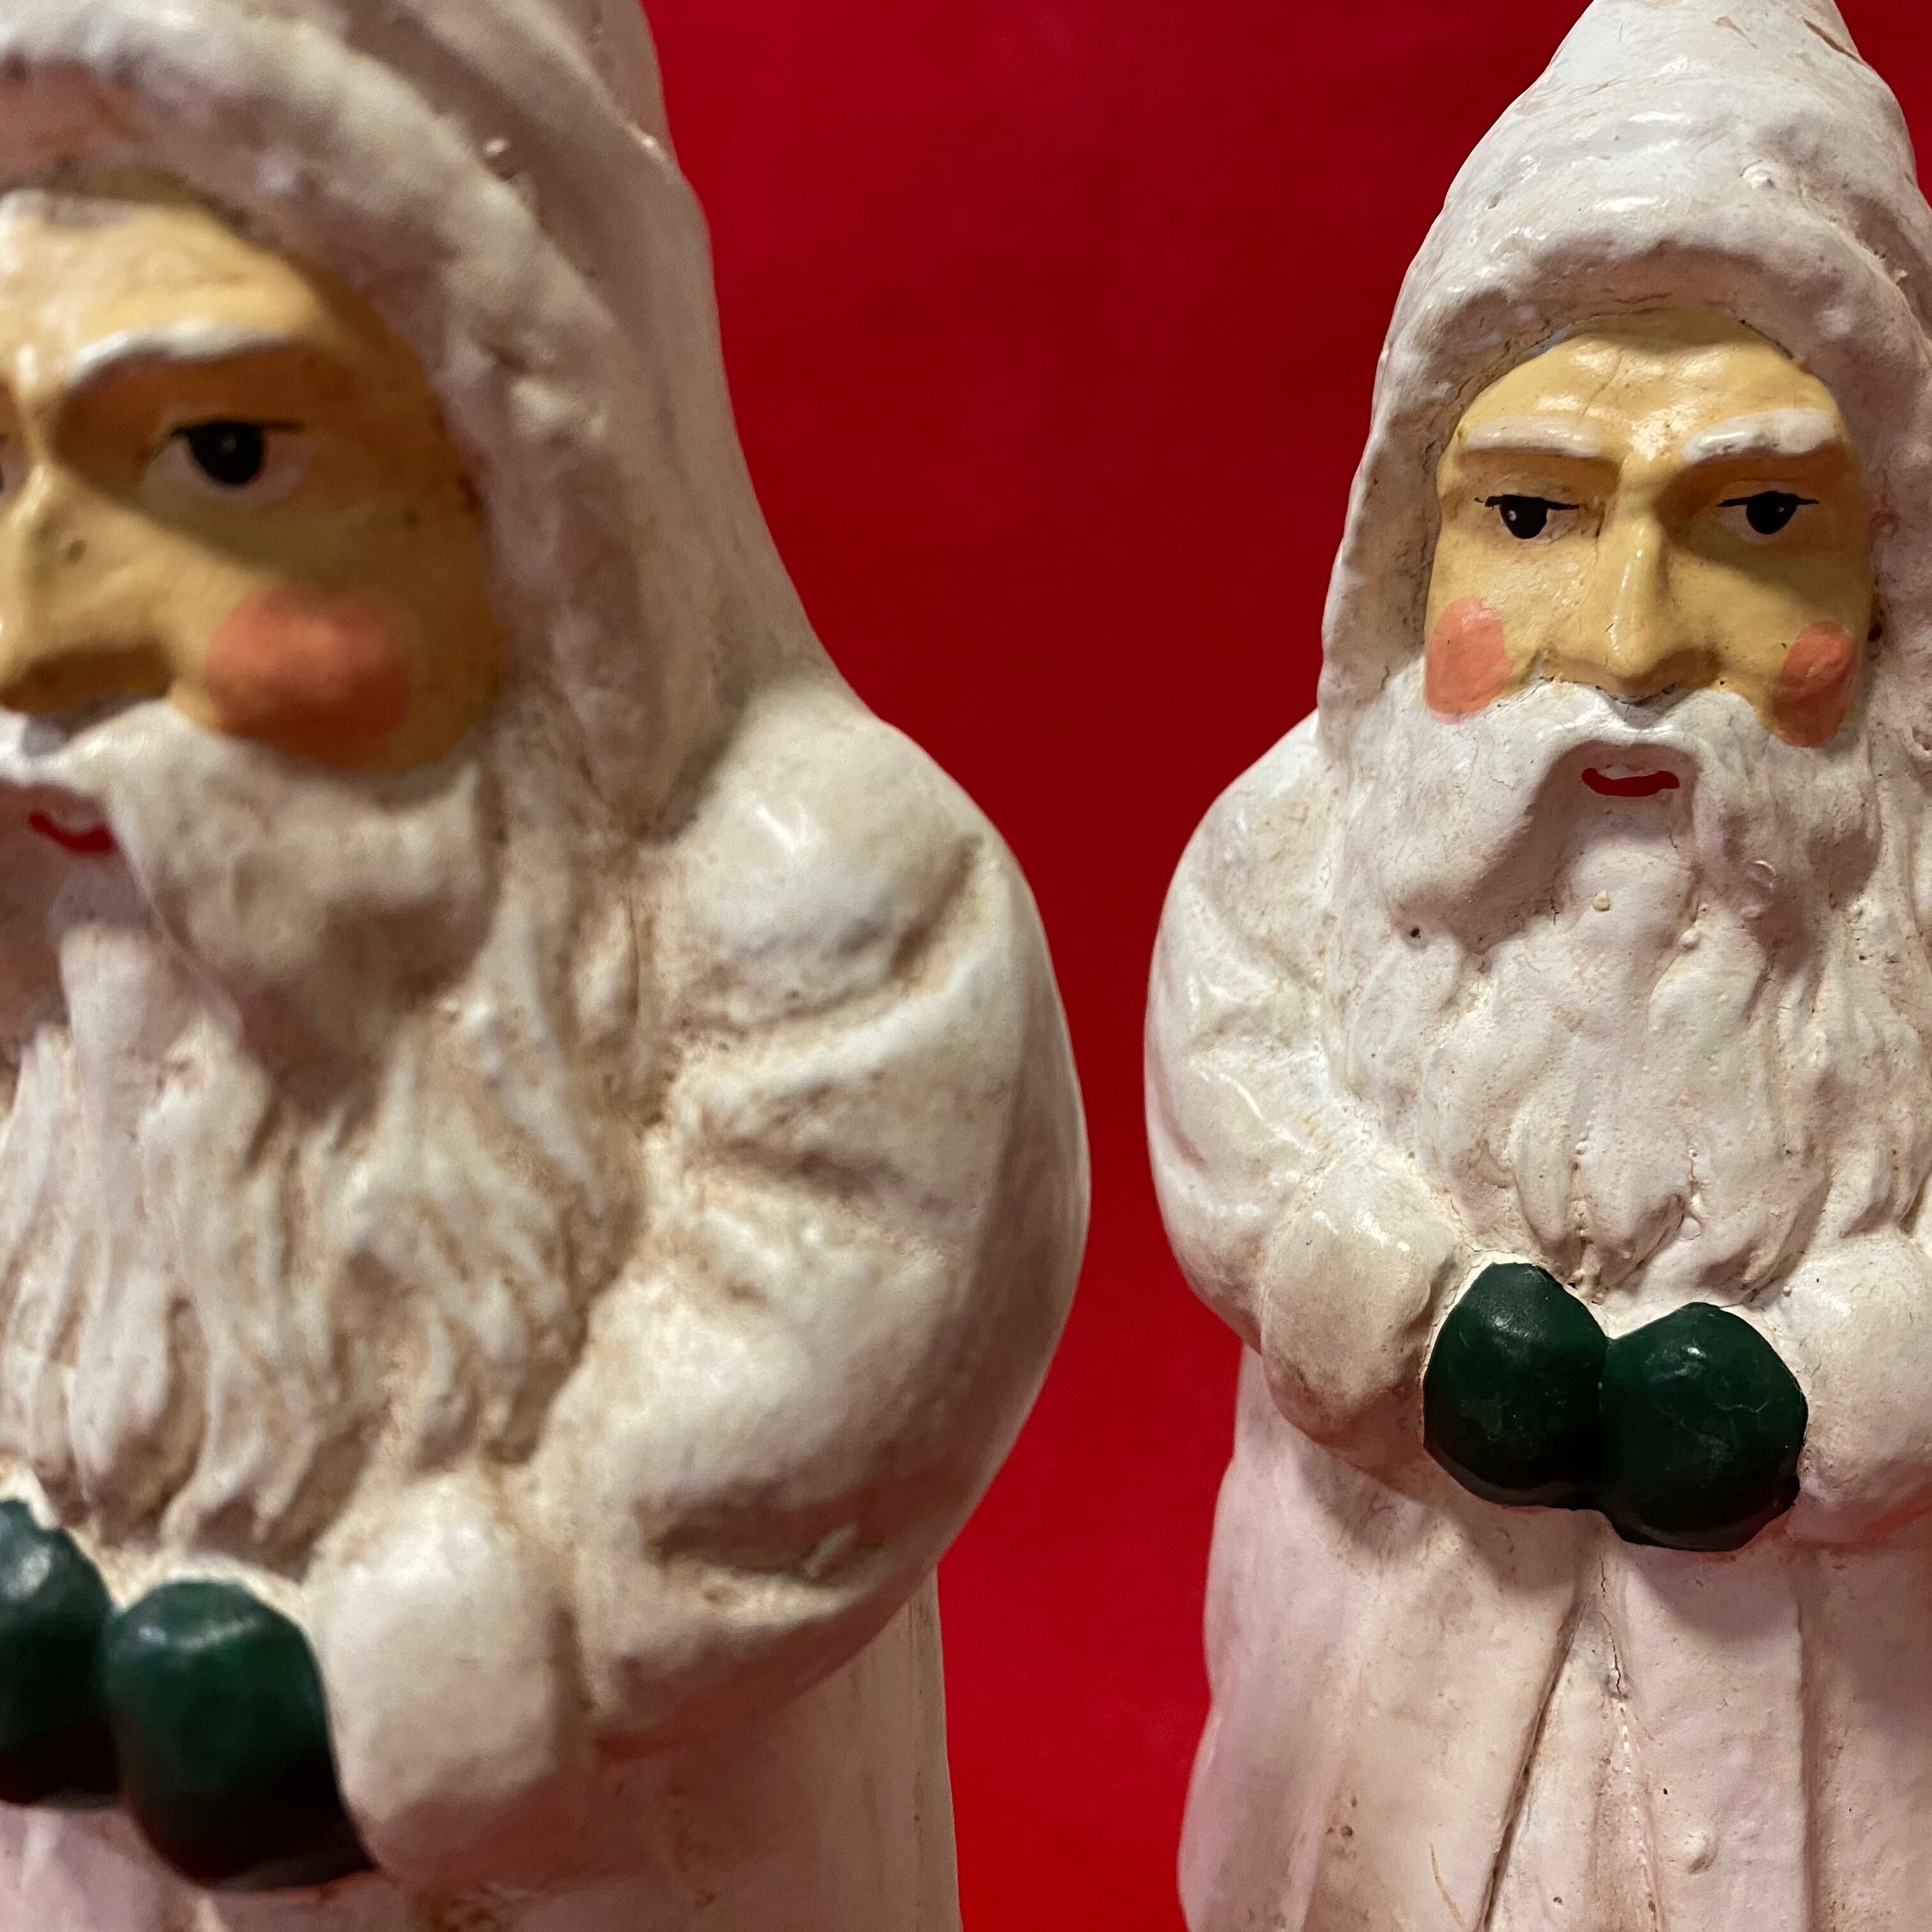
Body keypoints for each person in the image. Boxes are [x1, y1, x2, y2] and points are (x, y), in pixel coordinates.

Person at [0, 2, 1087, 1926]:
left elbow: (805, 1391)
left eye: (223, 459)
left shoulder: (820, 899)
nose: (33, 638)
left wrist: (457, 1649)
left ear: (530, 484)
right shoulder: (51, 896)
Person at [1148, 1, 1932, 1925]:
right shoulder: (1300, 844)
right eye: (1533, 514)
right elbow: (1235, 1115)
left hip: (1846, 1718)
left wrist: (1828, 1388)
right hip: (1386, 1653)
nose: (1633, 637)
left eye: (1759, 520)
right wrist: (1407, 1317)